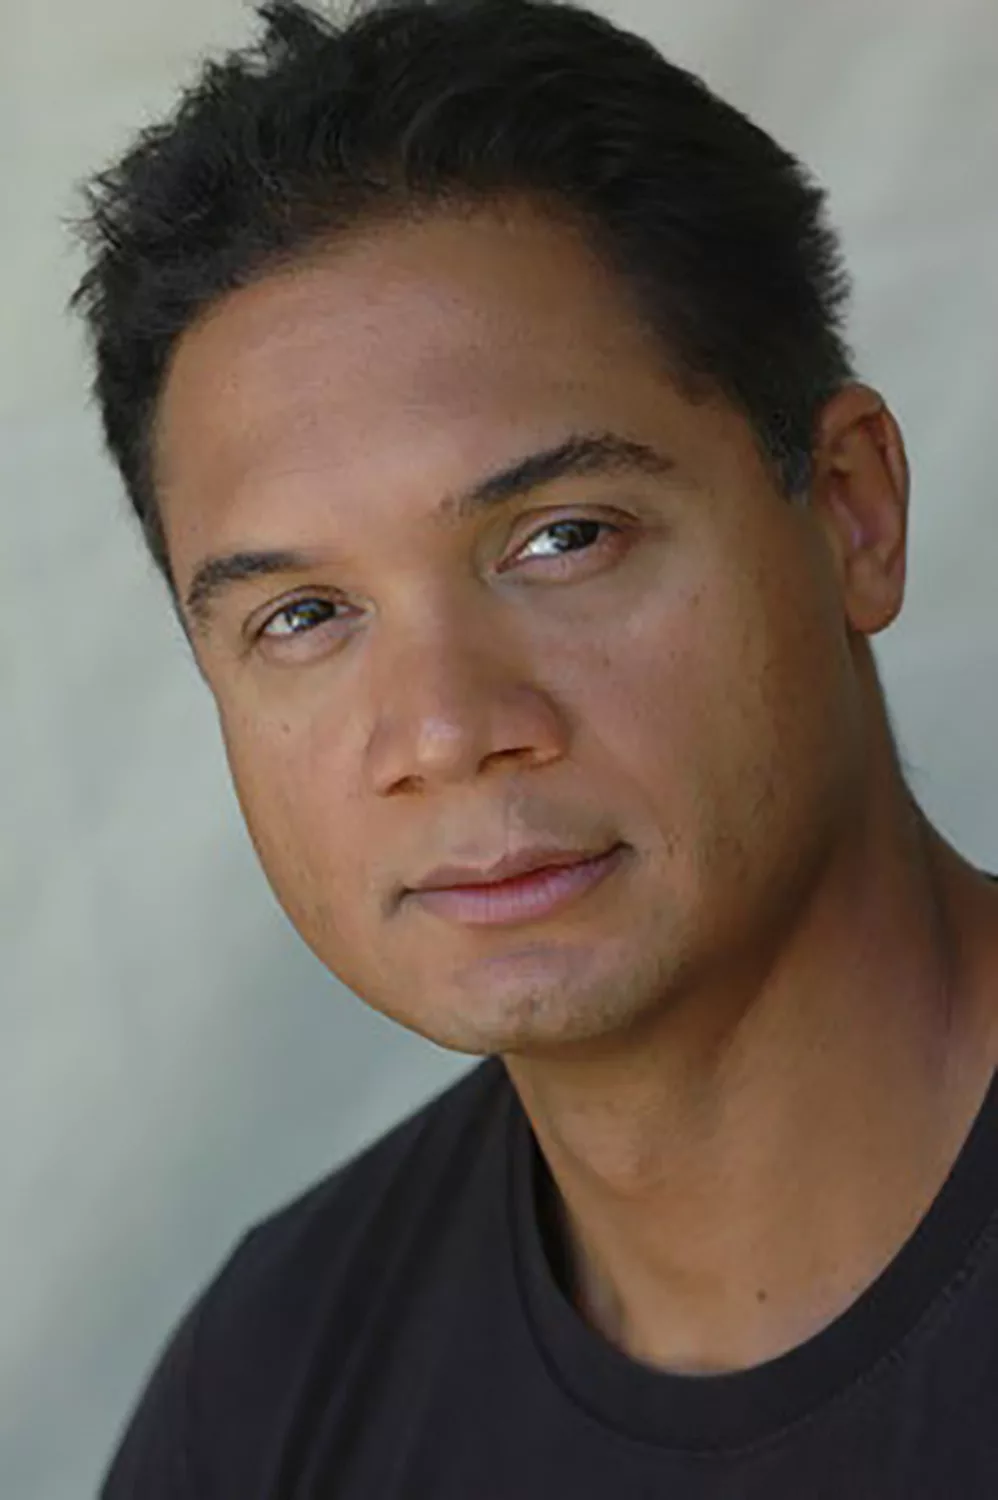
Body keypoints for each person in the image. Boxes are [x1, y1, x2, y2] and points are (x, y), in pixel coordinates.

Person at [70, 0, 998, 1493]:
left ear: (849, 512)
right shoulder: (263, 1401)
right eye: (304, 615)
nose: (445, 731)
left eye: (561, 538)